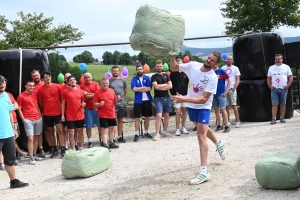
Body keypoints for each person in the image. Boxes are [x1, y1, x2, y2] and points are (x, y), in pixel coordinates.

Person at [170, 52, 226, 185]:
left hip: (203, 107)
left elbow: (204, 99)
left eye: (212, 60)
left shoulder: (212, 77)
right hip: (191, 106)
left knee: (201, 135)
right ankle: (218, 143)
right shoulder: (193, 65)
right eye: (209, 57)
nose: (209, 60)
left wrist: (184, 98)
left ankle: (204, 171)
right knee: (204, 129)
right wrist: (171, 55)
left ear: (216, 64)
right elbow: (174, 67)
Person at [0, 75, 29, 188]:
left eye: (3, 82)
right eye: (0, 82)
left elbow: (10, 114)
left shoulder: (7, 96)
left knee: (10, 160)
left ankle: (14, 182)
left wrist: (14, 129)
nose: (2, 84)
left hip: (8, 134)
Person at [37, 71, 66, 158]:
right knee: (50, 131)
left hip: (57, 112)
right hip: (47, 113)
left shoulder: (57, 86)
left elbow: (61, 100)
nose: (48, 78)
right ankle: (54, 149)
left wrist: (62, 113)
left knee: (60, 130)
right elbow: (41, 102)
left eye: (49, 76)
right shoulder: (41, 90)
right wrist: (46, 108)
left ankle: (63, 148)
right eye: (46, 77)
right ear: (42, 79)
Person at [17, 80, 43, 164]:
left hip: (37, 118)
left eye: (33, 85)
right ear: (25, 86)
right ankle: (31, 157)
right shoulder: (21, 96)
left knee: (36, 137)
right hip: (28, 119)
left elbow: (36, 105)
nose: (32, 87)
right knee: (30, 138)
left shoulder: (35, 94)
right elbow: (19, 109)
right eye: (30, 86)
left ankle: (34, 154)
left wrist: (39, 115)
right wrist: (23, 119)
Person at [94, 78, 120, 149]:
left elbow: (114, 100)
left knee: (112, 128)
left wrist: (117, 99)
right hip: (103, 114)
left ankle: (111, 142)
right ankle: (105, 144)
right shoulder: (97, 92)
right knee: (104, 129)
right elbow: (94, 103)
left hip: (111, 113)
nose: (105, 85)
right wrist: (99, 104)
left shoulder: (111, 90)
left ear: (109, 84)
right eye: (104, 83)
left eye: (107, 83)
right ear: (101, 84)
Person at [267, 54, 293, 124]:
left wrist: (288, 85)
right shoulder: (271, 68)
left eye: (279, 59)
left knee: (283, 104)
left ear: (282, 59)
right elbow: (268, 78)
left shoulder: (286, 67)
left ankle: (282, 117)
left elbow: (290, 77)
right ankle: (274, 118)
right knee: (275, 104)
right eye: (276, 59)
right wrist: (270, 86)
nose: (277, 60)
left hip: (283, 88)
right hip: (274, 88)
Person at [62, 76, 86, 151]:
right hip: (70, 115)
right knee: (71, 133)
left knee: (80, 131)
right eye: (70, 80)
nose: (72, 81)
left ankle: (81, 147)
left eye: (74, 79)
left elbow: (83, 102)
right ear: (68, 82)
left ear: (76, 81)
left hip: (79, 115)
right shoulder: (65, 91)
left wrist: (83, 106)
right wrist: (63, 115)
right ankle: (73, 148)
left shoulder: (81, 91)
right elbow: (63, 104)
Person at [131, 64, 153, 142]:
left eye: (141, 69)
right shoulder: (134, 79)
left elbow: (149, 88)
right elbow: (134, 89)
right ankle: (137, 133)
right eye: (138, 69)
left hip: (147, 100)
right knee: (137, 118)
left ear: (143, 70)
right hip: (138, 101)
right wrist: (143, 88)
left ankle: (146, 132)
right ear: (136, 70)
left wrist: (139, 89)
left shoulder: (147, 78)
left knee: (147, 117)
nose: (139, 70)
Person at [151, 60, 173, 141]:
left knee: (167, 115)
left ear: (162, 67)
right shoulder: (154, 76)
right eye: (158, 66)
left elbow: (170, 86)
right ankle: (157, 133)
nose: (159, 68)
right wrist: (165, 85)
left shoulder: (166, 75)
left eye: (160, 66)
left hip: (167, 97)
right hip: (158, 98)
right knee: (159, 115)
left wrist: (162, 86)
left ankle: (164, 131)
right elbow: (156, 87)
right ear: (155, 67)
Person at [169, 58, 189, 136]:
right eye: (177, 64)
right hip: (176, 95)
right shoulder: (173, 73)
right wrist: (173, 93)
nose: (179, 65)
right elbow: (171, 85)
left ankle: (183, 127)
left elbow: (188, 84)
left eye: (180, 63)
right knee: (177, 112)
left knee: (184, 111)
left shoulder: (186, 73)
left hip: (185, 94)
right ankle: (177, 129)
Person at [80, 72, 100, 148]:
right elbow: (84, 97)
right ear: (84, 78)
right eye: (86, 77)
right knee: (88, 126)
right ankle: (90, 141)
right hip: (88, 109)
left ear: (91, 77)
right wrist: (93, 94)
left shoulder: (96, 84)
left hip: (97, 108)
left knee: (100, 125)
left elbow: (98, 95)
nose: (88, 79)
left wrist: (87, 93)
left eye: (89, 77)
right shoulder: (81, 86)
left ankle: (101, 139)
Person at [221, 55, 241, 128]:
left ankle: (237, 121)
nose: (229, 60)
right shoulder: (223, 68)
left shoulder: (235, 68)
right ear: (226, 60)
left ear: (232, 60)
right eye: (228, 59)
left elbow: (237, 79)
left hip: (232, 88)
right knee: (226, 106)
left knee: (234, 105)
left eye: (230, 59)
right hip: (224, 89)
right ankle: (227, 121)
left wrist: (235, 87)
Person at [109, 66, 127, 143]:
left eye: (116, 71)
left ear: (119, 71)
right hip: (113, 103)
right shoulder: (109, 81)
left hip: (122, 103)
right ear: (112, 72)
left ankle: (120, 136)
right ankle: (112, 138)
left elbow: (125, 91)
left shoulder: (123, 80)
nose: (115, 72)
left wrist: (121, 98)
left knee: (120, 120)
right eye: (114, 71)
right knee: (113, 121)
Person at [212, 64, 231, 133]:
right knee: (216, 109)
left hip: (221, 93)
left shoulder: (221, 71)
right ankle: (220, 125)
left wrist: (226, 90)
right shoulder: (211, 72)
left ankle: (227, 125)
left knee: (223, 109)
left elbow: (229, 80)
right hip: (214, 93)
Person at [31, 70, 46, 158]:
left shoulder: (45, 83)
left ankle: (51, 147)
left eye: (37, 75)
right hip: (37, 113)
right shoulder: (32, 86)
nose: (36, 77)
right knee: (38, 132)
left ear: (39, 75)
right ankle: (39, 149)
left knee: (48, 130)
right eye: (34, 76)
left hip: (48, 111)